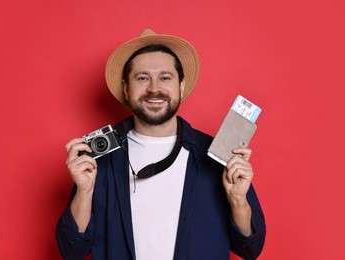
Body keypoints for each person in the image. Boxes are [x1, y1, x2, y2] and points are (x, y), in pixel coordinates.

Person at [56, 29, 266, 260]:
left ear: (181, 86)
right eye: (142, 78)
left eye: (165, 77)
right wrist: (84, 193)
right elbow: (72, 251)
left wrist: (238, 201)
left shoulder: (216, 156)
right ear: (127, 88)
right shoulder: (99, 158)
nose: (154, 88)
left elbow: (250, 249)